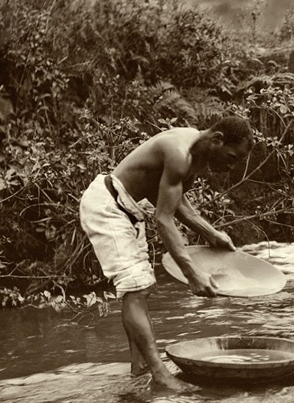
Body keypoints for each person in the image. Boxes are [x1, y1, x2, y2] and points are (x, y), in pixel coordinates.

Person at [79, 116, 253, 391]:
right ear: (217, 139)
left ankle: (140, 368)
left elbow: (177, 201)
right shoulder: (179, 152)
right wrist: (192, 272)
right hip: (107, 205)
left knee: (140, 289)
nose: (230, 166)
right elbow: (163, 218)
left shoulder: (194, 151)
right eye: (230, 158)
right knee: (136, 288)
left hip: (128, 211)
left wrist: (213, 234)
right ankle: (160, 375)